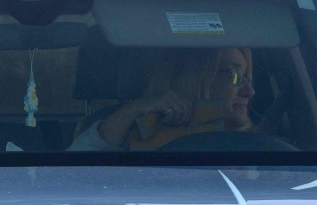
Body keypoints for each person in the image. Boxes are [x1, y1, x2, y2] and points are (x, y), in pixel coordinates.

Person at [71, 47, 255, 151]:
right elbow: (72, 177)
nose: (250, 91)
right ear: (193, 77)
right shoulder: (136, 135)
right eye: (235, 74)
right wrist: (134, 110)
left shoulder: (271, 152)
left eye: (248, 77)